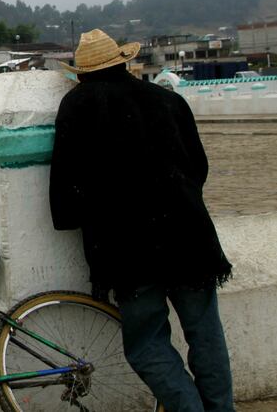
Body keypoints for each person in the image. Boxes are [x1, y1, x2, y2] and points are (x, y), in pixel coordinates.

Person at [50, 29, 233, 412]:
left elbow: (67, 186)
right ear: (123, 62)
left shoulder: (77, 105)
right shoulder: (168, 99)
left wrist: (73, 218)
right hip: (189, 235)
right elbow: (198, 168)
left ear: (81, 73)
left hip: (127, 249)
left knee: (147, 343)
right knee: (206, 336)